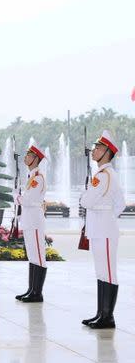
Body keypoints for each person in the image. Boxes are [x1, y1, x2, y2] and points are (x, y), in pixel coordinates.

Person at [80, 131, 125, 329]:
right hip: (100, 228)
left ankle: (108, 317)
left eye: (98, 147)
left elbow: (87, 201)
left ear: (107, 152)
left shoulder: (105, 175)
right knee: (101, 272)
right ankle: (101, 314)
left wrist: (106, 216)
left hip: (104, 229)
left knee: (108, 272)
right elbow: (120, 204)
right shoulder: (104, 174)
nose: (94, 150)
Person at [15, 143, 48, 303]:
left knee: (38, 256)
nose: (26, 157)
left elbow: (28, 200)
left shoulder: (38, 178)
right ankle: (31, 289)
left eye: (29, 155)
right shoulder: (31, 177)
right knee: (32, 255)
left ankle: (37, 292)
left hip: (34, 219)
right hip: (29, 219)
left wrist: (18, 198)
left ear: (36, 159)